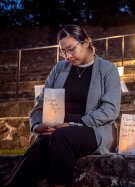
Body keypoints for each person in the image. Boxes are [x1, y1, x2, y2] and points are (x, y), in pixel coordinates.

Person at [4, 25, 121, 187]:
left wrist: (73, 124)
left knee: (60, 137)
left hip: (94, 129)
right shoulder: (59, 69)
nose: (68, 56)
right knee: (42, 144)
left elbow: (111, 110)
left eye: (71, 49)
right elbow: (42, 101)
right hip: (57, 129)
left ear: (86, 43)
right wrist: (37, 125)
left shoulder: (108, 69)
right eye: (63, 51)